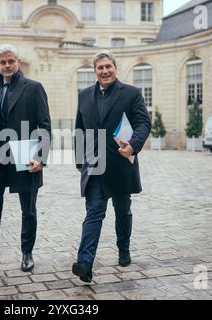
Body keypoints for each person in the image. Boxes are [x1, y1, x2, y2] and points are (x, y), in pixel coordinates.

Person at [0, 44, 51, 287]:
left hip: (23, 157)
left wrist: (40, 156)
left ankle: (27, 252)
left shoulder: (34, 88)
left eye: (10, 61)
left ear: (18, 61)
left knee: (28, 210)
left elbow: (44, 126)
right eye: (2, 62)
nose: (7, 65)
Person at [72, 50, 151, 283]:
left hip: (120, 163)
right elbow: (80, 130)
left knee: (122, 210)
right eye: (100, 68)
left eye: (108, 66)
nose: (105, 71)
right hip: (94, 165)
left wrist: (133, 145)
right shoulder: (84, 95)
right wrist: (79, 161)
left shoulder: (132, 93)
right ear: (95, 71)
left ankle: (123, 249)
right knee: (94, 212)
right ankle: (85, 263)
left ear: (115, 68)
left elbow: (143, 122)